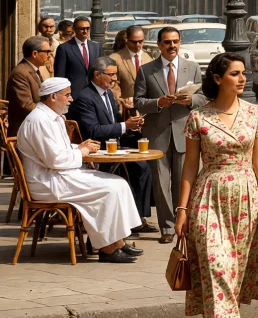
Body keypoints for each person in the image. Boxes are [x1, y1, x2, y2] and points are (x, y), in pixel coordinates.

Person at [175, 54, 258, 318]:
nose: (243, 78)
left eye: (244, 73)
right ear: (218, 79)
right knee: (218, 268)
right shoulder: (198, 117)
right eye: (235, 73)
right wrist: (182, 209)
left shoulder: (255, 113)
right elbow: (190, 166)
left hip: (246, 199)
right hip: (208, 198)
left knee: (235, 274)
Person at [16, 78, 142, 263]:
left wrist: (79, 148)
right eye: (67, 95)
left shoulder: (51, 116)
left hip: (59, 174)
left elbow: (59, 150)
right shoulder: (39, 120)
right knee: (108, 189)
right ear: (53, 96)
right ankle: (106, 249)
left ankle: (117, 241)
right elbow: (55, 160)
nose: (71, 99)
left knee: (119, 183)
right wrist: (82, 152)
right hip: (47, 181)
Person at [134, 26, 207, 244]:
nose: (172, 46)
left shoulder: (192, 68)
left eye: (175, 41)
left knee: (183, 182)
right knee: (160, 183)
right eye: (167, 42)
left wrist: (190, 100)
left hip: (185, 133)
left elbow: (203, 98)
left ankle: (182, 223)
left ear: (180, 42)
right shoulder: (146, 70)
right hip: (157, 134)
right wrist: (158, 102)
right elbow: (138, 101)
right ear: (159, 45)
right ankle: (166, 227)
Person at [69, 57, 154, 232]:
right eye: (111, 74)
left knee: (143, 166)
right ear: (97, 75)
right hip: (97, 150)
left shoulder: (108, 94)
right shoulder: (85, 98)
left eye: (116, 74)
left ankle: (138, 218)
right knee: (131, 170)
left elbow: (116, 122)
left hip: (115, 146)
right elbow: (93, 130)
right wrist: (124, 126)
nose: (115, 78)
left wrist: (132, 126)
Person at [6, 36, 50, 132]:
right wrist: (50, 113)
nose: (49, 55)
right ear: (35, 54)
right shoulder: (20, 73)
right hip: (25, 130)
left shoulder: (33, 69)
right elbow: (26, 105)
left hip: (36, 125)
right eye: (47, 51)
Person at [53, 16, 99, 93]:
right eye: (82, 29)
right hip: (74, 93)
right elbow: (60, 75)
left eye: (87, 28)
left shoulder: (96, 47)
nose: (85, 31)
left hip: (93, 92)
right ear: (74, 29)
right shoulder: (64, 48)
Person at [112, 25, 147, 111]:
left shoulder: (148, 59)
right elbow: (110, 87)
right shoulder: (115, 59)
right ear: (126, 39)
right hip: (123, 110)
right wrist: (122, 101)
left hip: (145, 110)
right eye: (134, 42)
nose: (138, 45)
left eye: (140, 41)